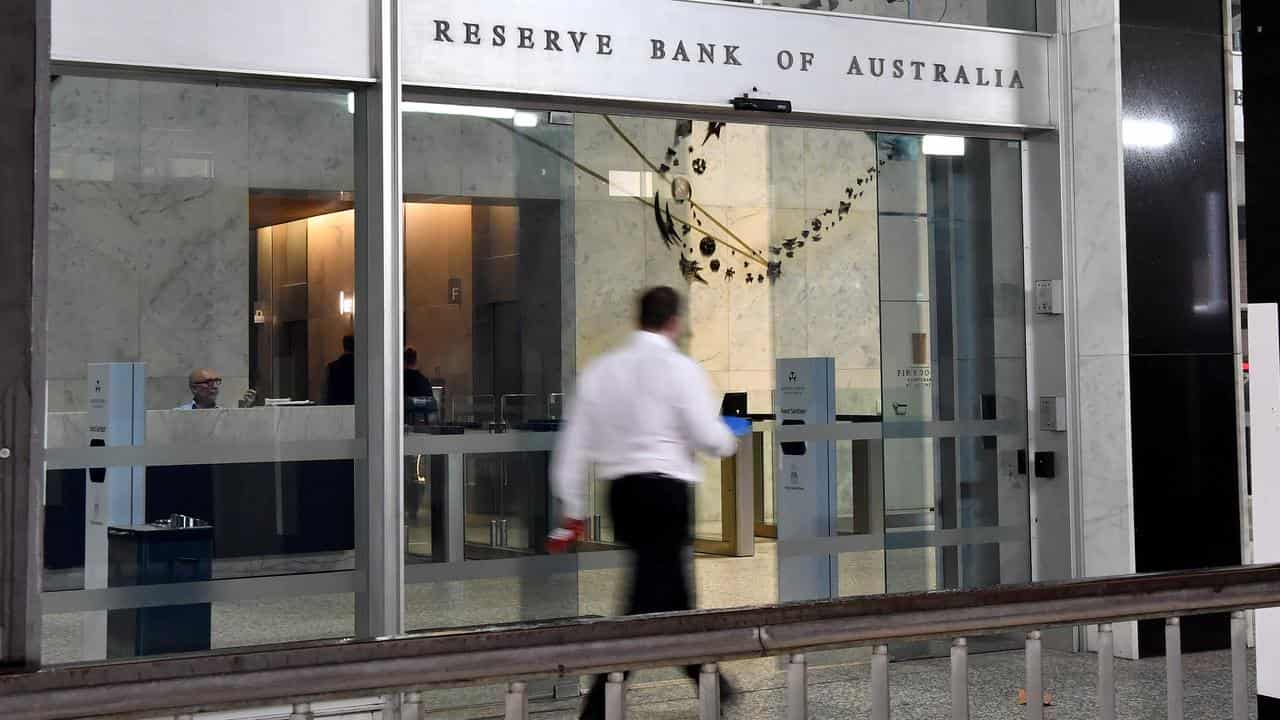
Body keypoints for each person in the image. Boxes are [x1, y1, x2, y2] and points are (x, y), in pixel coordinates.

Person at [549, 286, 747, 720]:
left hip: (623, 494)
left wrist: (573, 507)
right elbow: (706, 436)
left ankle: (710, 682)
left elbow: (574, 442)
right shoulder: (681, 370)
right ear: (674, 322)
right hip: (667, 493)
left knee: (670, 590)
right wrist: (730, 437)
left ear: (637, 318)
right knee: (647, 597)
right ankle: (601, 702)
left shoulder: (602, 371)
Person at [176, 368, 256, 409]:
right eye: (208, 382)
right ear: (194, 388)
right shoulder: (177, 414)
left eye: (216, 381)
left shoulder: (224, 415)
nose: (214, 386)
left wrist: (242, 411)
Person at [326, 335, 356, 405]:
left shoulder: (332, 367)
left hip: (337, 408)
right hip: (355, 407)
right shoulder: (360, 368)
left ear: (343, 346)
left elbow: (327, 393)